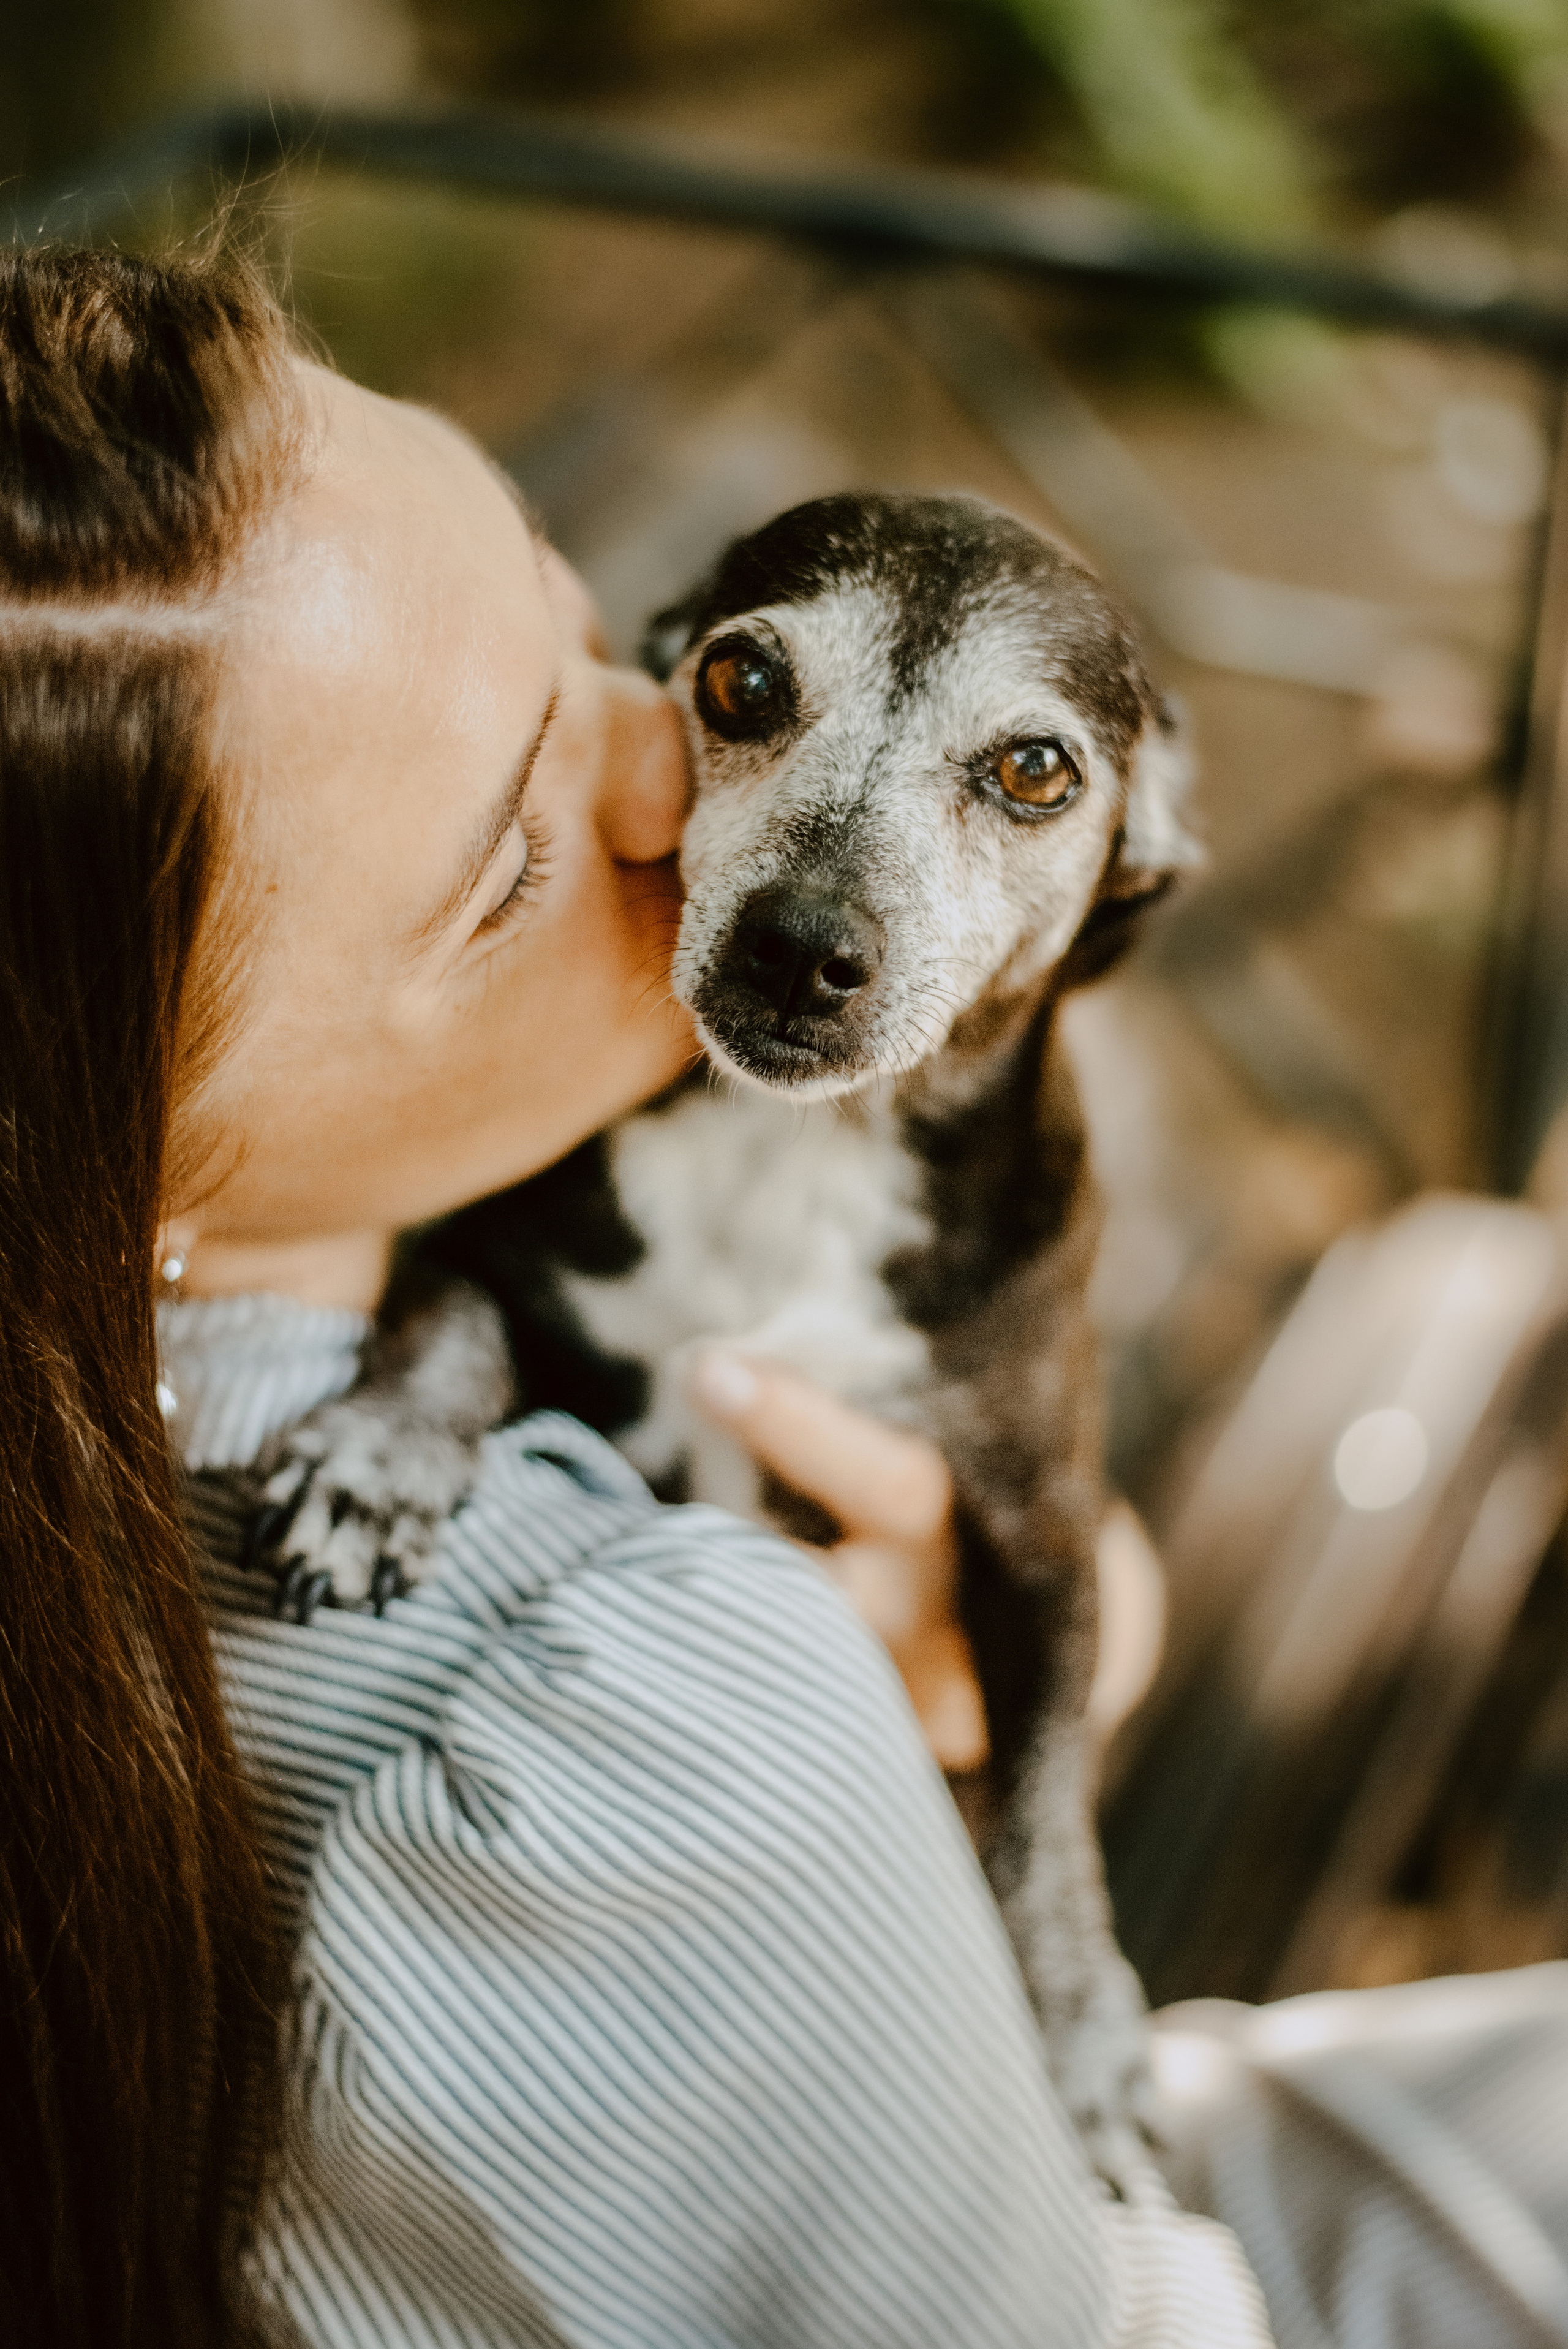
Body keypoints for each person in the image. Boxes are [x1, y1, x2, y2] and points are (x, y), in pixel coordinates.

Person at [0, 241, 1272, 2349]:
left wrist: (1062, 1621)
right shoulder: (639, 1719)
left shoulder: (404, 1213)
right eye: (508, 865)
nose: (690, 795)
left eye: (626, 647)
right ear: (113, 1168)